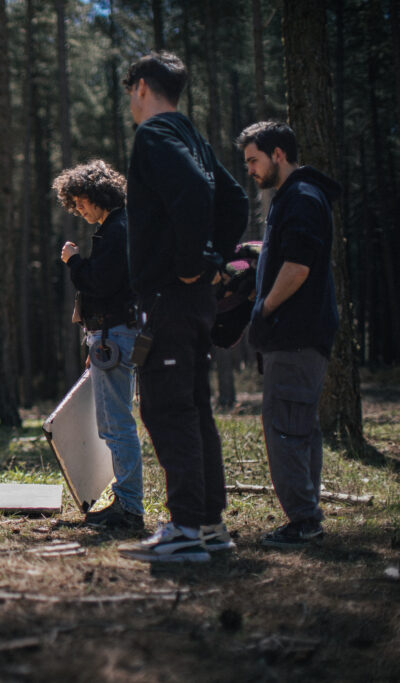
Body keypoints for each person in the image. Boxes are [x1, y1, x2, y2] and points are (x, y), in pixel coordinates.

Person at [118, 52, 248, 563]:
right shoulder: (192, 136)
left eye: (131, 91)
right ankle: (210, 526)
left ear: (143, 86)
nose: (130, 102)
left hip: (169, 298)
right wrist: (212, 260)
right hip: (193, 301)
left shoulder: (154, 136)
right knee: (193, 410)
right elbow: (234, 200)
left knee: (168, 409)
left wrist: (195, 261)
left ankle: (186, 530)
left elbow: (197, 191)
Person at [237, 121, 340, 549]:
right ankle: (306, 516)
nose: (251, 170)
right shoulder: (295, 198)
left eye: (254, 160)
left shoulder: (300, 197)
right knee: (299, 428)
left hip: (295, 336)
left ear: (278, 154)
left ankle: (303, 522)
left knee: (285, 429)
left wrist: (265, 309)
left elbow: (298, 267)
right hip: (298, 337)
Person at [53, 160, 144, 531]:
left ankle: (129, 507)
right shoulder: (118, 226)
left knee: (116, 425)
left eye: (81, 202)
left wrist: (74, 262)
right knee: (115, 422)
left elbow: (100, 283)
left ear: (95, 194)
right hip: (111, 337)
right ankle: (127, 501)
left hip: (114, 336)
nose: (80, 210)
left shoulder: (118, 228)